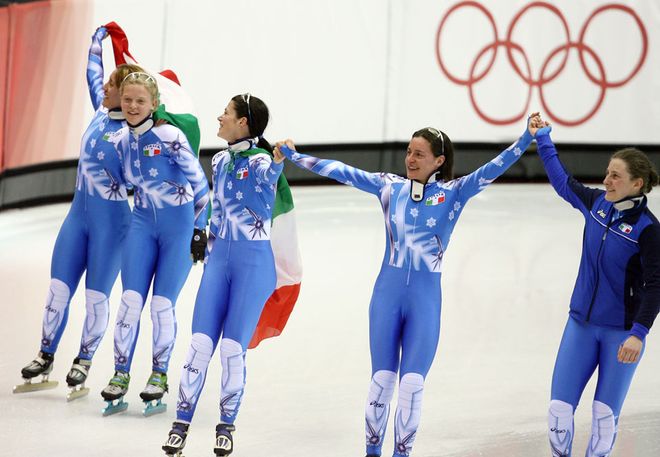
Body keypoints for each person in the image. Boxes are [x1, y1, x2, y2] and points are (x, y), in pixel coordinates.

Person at [273, 115, 544, 457]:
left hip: (424, 303)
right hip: (386, 298)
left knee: (412, 386)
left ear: (439, 161)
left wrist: (526, 138)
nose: (410, 160)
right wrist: (295, 156)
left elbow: (494, 167)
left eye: (419, 154)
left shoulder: (455, 192)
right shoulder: (390, 187)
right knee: (382, 382)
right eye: (408, 152)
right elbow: (342, 171)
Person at [14, 26, 142, 400]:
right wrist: (96, 41)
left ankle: (84, 360)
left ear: (126, 96)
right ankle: (45, 355)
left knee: (95, 297)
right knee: (58, 289)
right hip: (77, 219)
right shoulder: (101, 112)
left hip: (111, 227)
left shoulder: (133, 135)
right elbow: (93, 75)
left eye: (112, 86)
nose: (104, 88)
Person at [162, 94, 284, 456]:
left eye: (226, 113)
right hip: (219, 263)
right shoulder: (219, 160)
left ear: (243, 122)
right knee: (200, 344)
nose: (220, 117)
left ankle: (226, 426)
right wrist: (201, 232)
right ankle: (180, 424)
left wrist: (278, 161)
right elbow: (216, 204)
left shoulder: (261, 161)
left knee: (231, 349)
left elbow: (269, 175)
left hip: (253, 268)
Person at [534, 122, 660, 457]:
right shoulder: (597, 204)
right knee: (559, 411)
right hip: (580, 327)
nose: (606, 181)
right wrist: (543, 139)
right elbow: (563, 182)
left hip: (621, 335)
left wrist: (639, 333)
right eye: (607, 173)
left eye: (616, 176)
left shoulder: (648, 230)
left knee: (604, 417)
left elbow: (656, 286)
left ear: (637, 183)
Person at [100, 71, 210, 416]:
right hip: (142, 225)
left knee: (161, 305)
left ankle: (159, 374)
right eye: (127, 100)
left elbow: (200, 185)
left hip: (178, 231)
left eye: (140, 101)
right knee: (130, 301)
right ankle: (120, 373)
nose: (132, 106)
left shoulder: (170, 136)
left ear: (154, 104)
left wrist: (199, 230)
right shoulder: (121, 140)